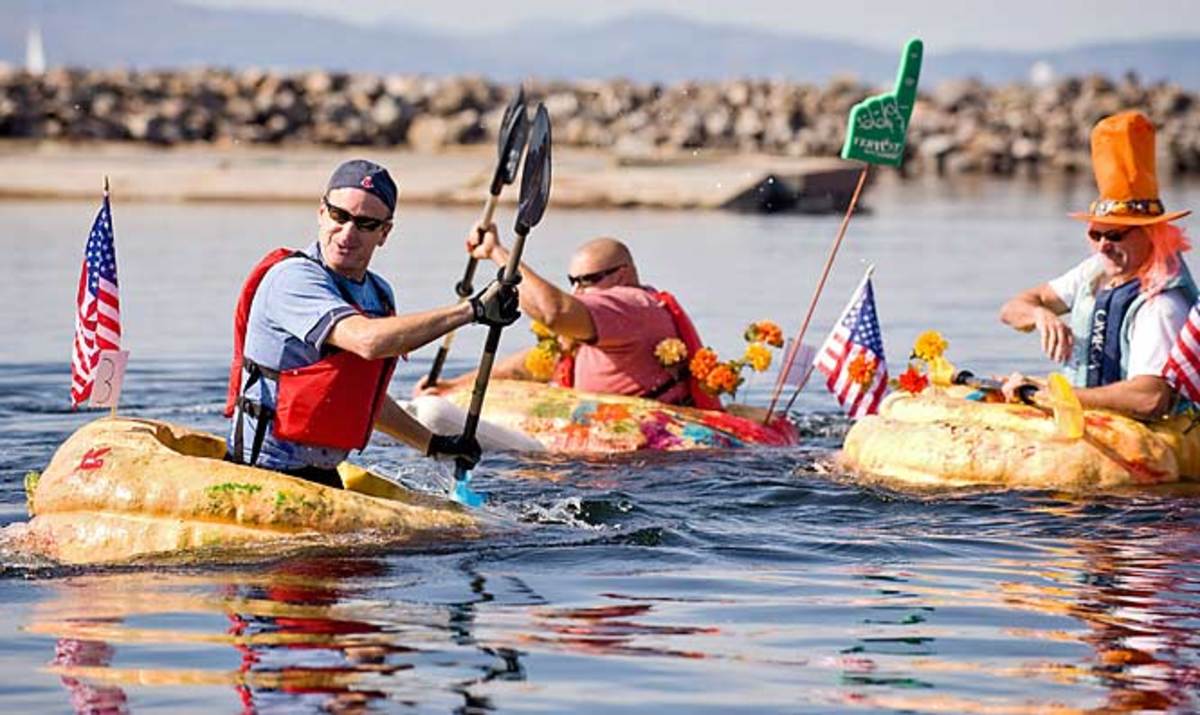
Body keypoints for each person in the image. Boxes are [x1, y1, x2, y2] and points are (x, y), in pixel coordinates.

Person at [224, 159, 520, 487]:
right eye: (339, 216)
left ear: (384, 232)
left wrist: (432, 444)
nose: (348, 233)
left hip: (321, 477)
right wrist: (472, 311)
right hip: (261, 474)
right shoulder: (293, 279)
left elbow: (360, 396)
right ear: (321, 213)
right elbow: (367, 341)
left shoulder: (378, 294)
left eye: (365, 224)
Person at [998, 111, 1194, 421]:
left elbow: (1150, 398)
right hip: (1088, 415)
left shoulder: (1163, 305)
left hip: (1147, 438)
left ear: (1151, 233)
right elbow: (1010, 310)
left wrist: (1058, 396)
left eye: (1115, 234)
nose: (1103, 245)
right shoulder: (1094, 272)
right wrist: (1040, 314)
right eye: (1095, 233)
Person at [418, 224, 721, 410]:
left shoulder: (631, 304)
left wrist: (497, 252)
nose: (577, 291)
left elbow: (553, 312)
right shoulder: (601, 319)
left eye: (587, 280)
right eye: (572, 281)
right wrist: (453, 386)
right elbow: (533, 365)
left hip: (644, 460)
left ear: (622, 274)